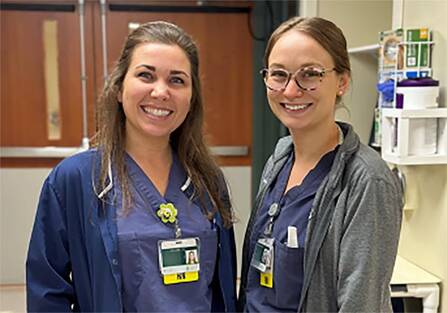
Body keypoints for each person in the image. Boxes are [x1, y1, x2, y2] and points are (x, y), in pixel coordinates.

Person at [26, 21, 237, 312]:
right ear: (118, 88)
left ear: (191, 98)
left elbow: (222, 292)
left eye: (177, 80)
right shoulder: (75, 180)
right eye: (146, 75)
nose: (160, 92)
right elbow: (47, 293)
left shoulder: (207, 181)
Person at [238, 16, 402, 312]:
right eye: (278, 74)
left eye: (310, 74)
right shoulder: (280, 158)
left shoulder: (367, 180)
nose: (290, 90)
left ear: (342, 81)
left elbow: (360, 303)